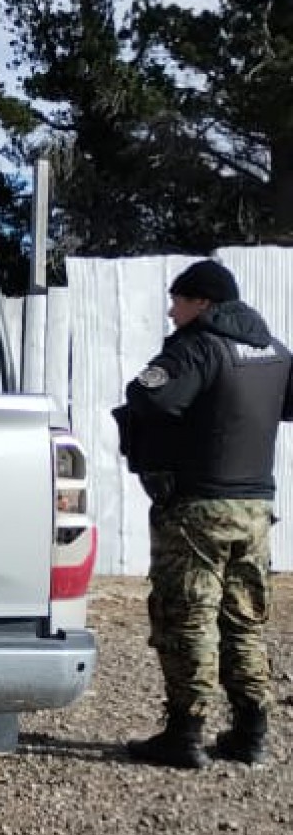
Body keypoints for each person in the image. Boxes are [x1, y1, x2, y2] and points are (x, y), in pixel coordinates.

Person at [115, 260, 290, 769]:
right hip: (255, 507)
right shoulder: (272, 350)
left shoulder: (197, 347)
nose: (172, 312)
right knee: (244, 618)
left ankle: (184, 734)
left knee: (187, 616)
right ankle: (251, 731)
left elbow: (150, 395)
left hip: (198, 507)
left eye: (179, 301)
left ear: (204, 303)